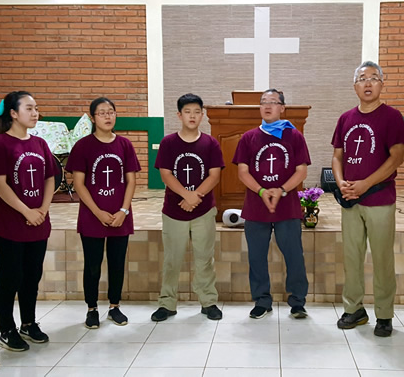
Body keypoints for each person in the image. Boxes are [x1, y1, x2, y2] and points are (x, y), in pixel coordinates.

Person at [331, 61, 404, 336]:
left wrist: (365, 184)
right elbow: (337, 156)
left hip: (379, 198)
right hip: (351, 199)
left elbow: (396, 157)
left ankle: (384, 314)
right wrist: (341, 182)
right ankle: (354, 309)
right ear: (355, 86)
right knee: (352, 258)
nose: (368, 83)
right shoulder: (346, 118)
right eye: (362, 78)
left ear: (381, 84)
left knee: (382, 258)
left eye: (374, 78)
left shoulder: (391, 117)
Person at [0, 91, 55, 352]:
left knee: (31, 277)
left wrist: (42, 209)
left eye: (36, 108)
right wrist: (27, 211)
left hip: (39, 222)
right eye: (29, 108)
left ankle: (28, 323)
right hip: (11, 225)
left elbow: (50, 178)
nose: (35, 113)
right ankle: (7, 329)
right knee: (10, 278)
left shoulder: (40, 143)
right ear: (13, 113)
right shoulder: (0, 144)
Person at [233, 89, 310, 319]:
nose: (267, 106)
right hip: (256, 206)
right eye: (263, 102)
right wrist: (262, 191)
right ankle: (262, 300)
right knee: (256, 256)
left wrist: (282, 190)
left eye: (273, 102)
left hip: (287, 206)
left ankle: (297, 301)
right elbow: (242, 171)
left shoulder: (294, 136)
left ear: (282, 108)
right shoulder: (248, 137)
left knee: (294, 255)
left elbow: (301, 170)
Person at [66, 97, 140, 329]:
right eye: (102, 113)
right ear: (92, 118)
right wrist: (98, 212)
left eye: (111, 112)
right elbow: (79, 184)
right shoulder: (83, 146)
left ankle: (114, 306)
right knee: (93, 265)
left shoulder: (124, 145)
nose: (108, 116)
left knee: (117, 263)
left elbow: (131, 180)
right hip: (92, 215)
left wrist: (123, 210)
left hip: (120, 215)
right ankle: (92, 309)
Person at [151, 94, 224, 322]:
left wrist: (196, 196)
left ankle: (208, 301)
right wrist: (186, 195)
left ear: (202, 115)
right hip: (174, 211)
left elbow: (214, 175)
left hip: (203, 211)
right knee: (172, 260)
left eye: (197, 112)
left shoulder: (210, 143)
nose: (192, 116)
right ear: (179, 115)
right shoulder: (168, 143)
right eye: (187, 112)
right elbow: (165, 173)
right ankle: (167, 303)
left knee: (205, 259)